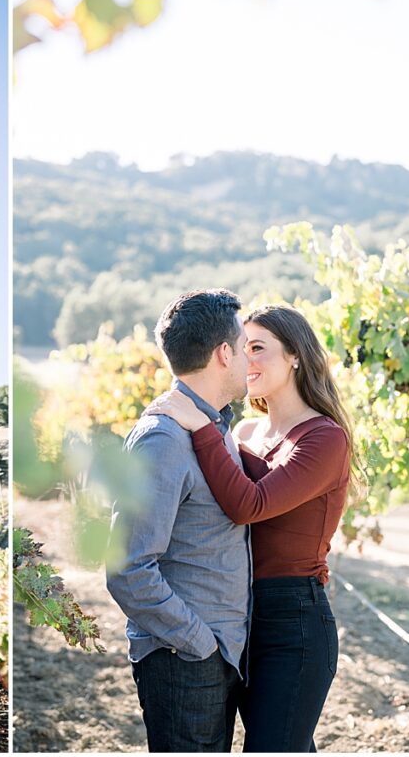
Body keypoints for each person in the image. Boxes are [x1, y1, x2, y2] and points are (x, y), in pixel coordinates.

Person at [144, 303, 355, 753]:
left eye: (258, 348)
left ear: (296, 355)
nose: (246, 358)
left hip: (292, 619)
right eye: (243, 347)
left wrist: (201, 423)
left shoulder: (324, 437)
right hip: (237, 613)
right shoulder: (243, 433)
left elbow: (247, 505)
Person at [105, 289, 253, 753]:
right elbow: (126, 568)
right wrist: (198, 642)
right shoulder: (164, 439)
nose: (249, 356)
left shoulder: (212, 430)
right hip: (184, 659)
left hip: (215, 654)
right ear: (223, 353)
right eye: (245, 344)